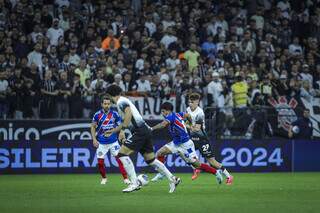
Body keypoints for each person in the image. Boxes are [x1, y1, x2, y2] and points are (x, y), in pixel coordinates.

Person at [105, 85, 181, 193]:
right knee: (151, 160)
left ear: (110, 95)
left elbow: (128, 114)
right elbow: (126, 118)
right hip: (144, 130)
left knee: (122, 154)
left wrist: (116, 130)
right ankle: (173, 179)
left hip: (139, 131)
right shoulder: (123, 100)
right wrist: (122, 131)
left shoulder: (120, 102)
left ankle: (134, 183)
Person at [150, 102, 223, 185]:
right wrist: (191, 124)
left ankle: (216, 172)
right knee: (160, 153)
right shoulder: (178, 114)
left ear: (168, 111)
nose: (162, 113)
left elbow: (163, 125)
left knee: (197, 165)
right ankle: (162, 173)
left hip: (186, 145)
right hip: (176, 143)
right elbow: (188, 115)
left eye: (163, 111)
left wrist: (152, 128)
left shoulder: (171, 117)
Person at [185, 93, 233, 183]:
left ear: (197, 102)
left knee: (212, 162)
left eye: (192, 102)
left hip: (202, 139)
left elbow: (196, 129)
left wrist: (187, 125)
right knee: (186, 154)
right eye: (189, 102)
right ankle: (197, 169)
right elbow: (188, 123)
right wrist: (187, 125)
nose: (190, 104)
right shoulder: (188, 110)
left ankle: (229, 176)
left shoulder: (200, 113)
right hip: (192, 139)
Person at [90, 95, 130, 185]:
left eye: (108, 104)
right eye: (105, 104)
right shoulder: (97, 115)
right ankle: (104, 178)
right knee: (100, 163)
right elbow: (92, 127)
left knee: (120, 160)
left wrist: (119, 132)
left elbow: (120, 125)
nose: (107, 105)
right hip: (101, 143)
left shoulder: (115, 114)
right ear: (101, 104)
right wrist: (94, 139)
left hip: (113, 142)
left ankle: (125, 178)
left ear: (111, 104)